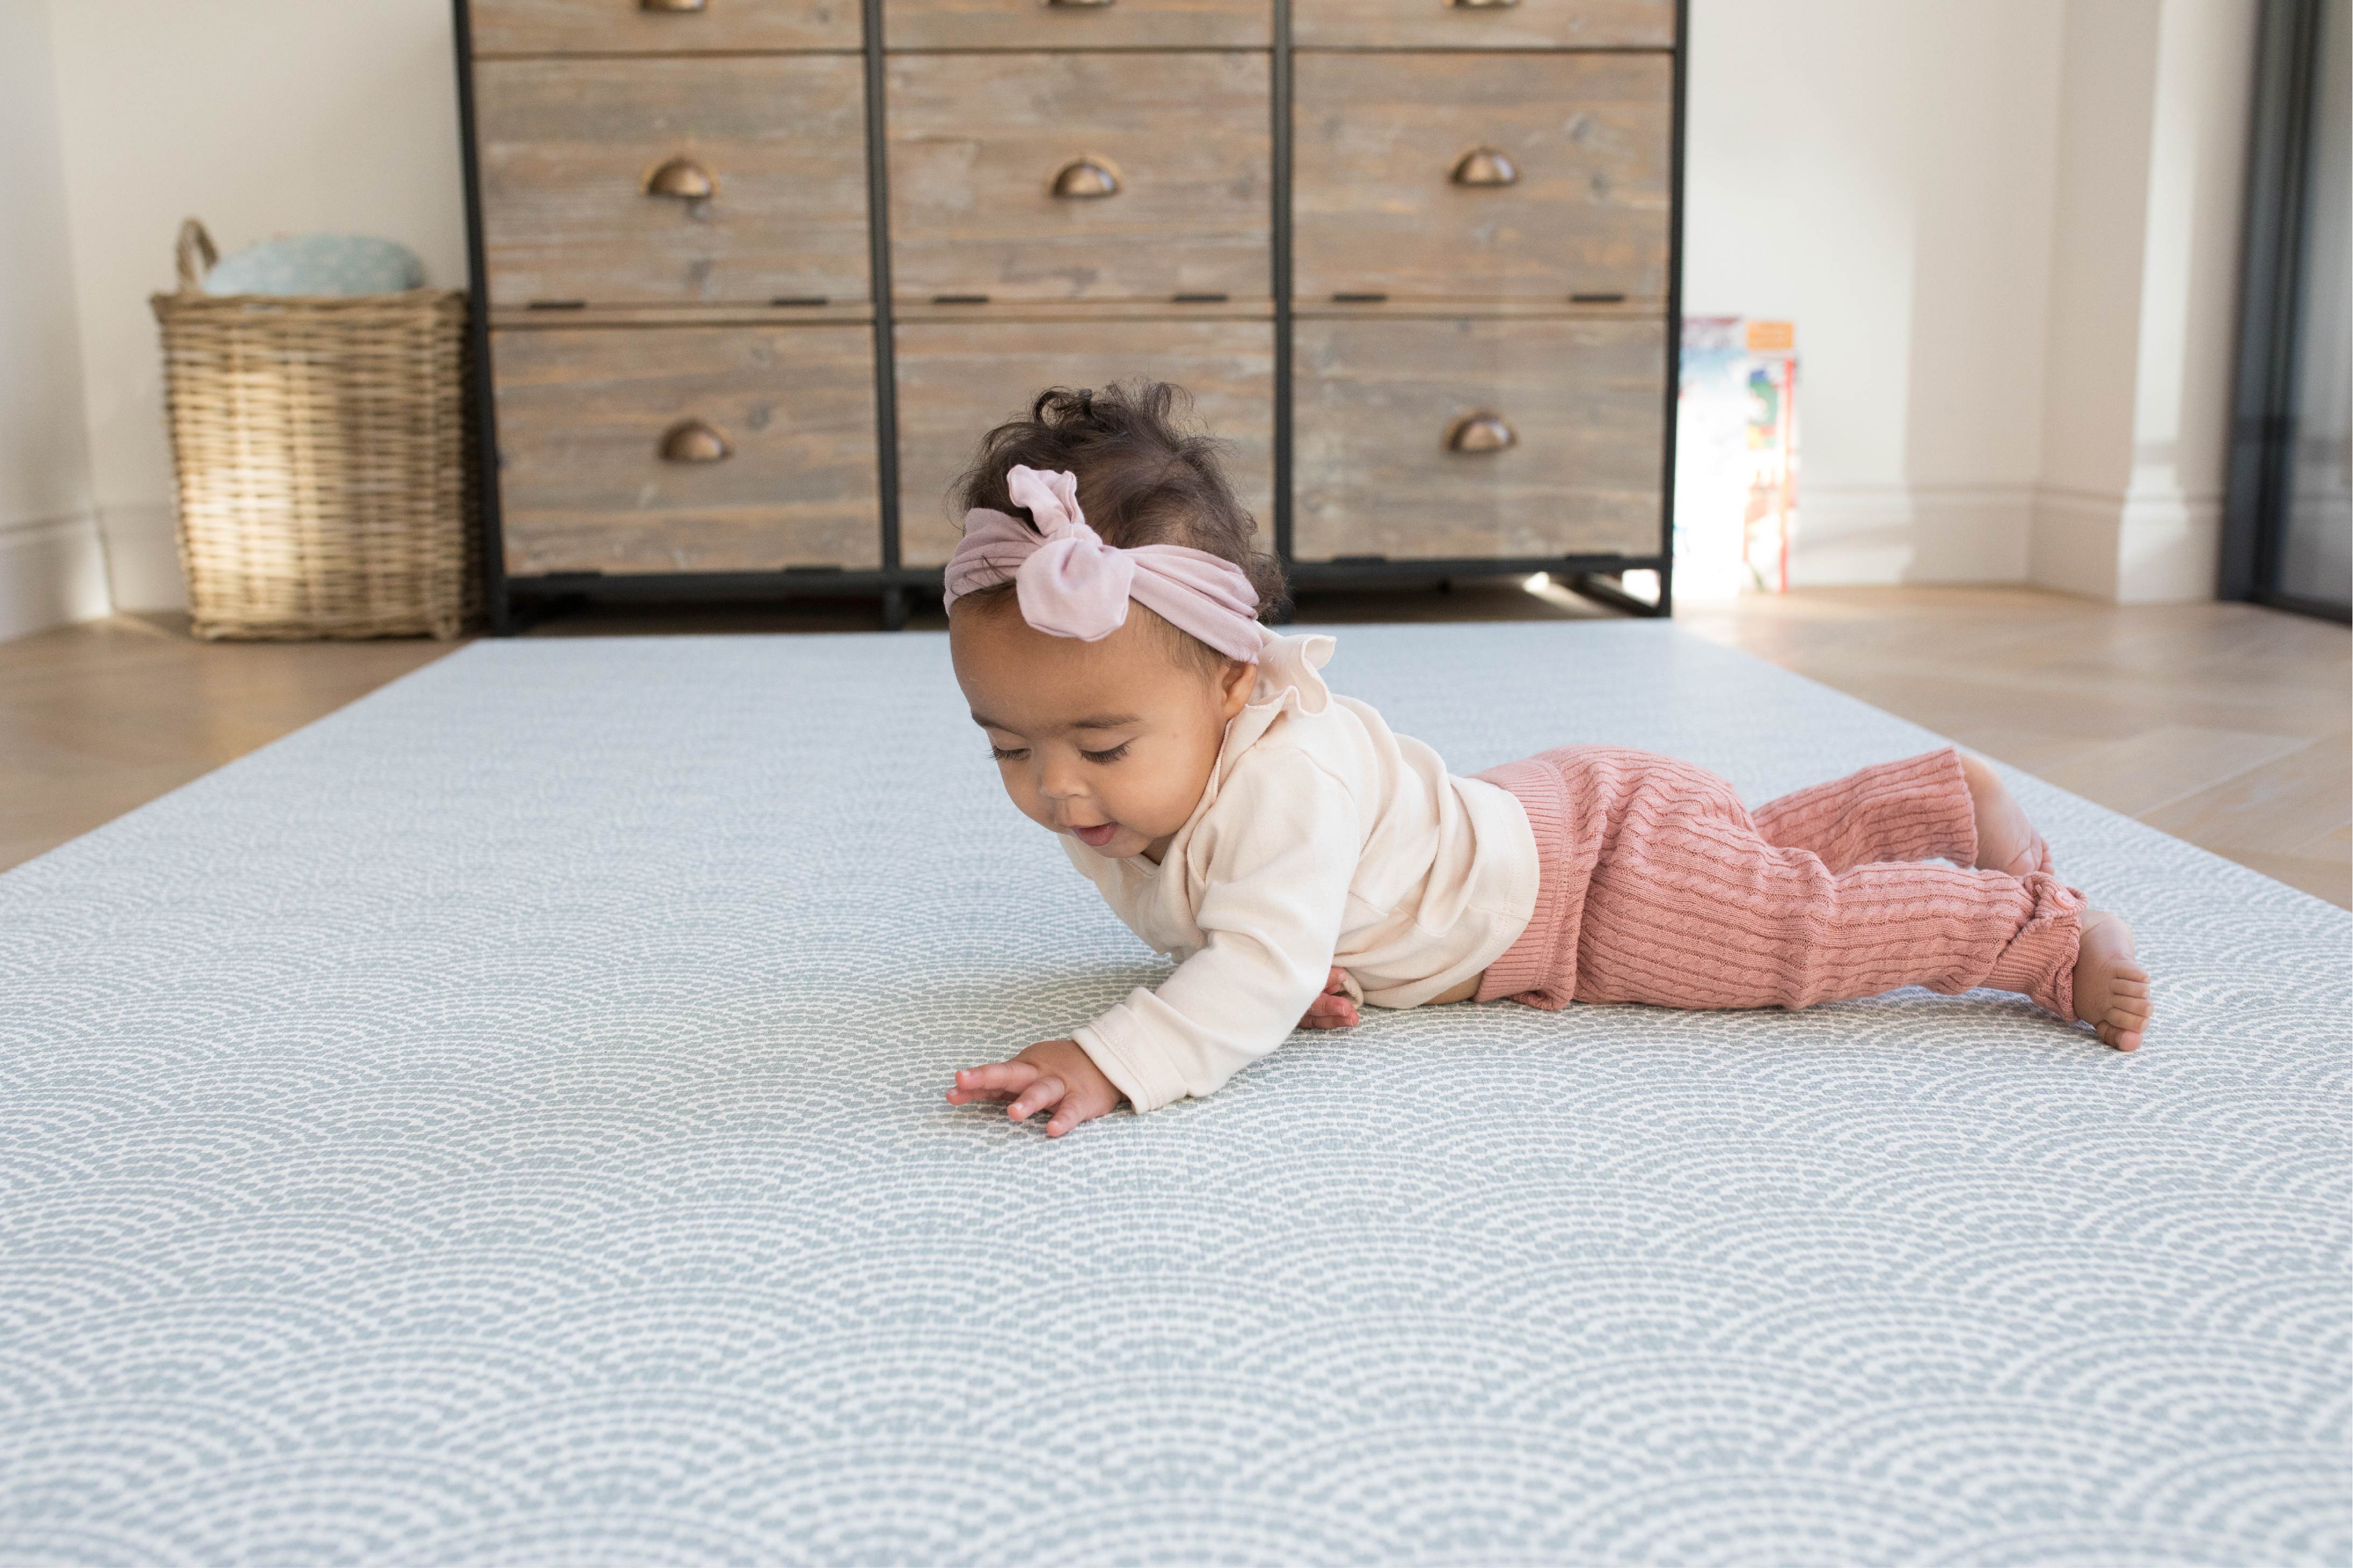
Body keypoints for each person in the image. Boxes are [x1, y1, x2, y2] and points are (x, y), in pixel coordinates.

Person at [943, 383, 2153, 1138]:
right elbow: (1268, 923)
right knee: (1760, 858)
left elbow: (1256, 960)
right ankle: (1935, 802)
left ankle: (2030, 932)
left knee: (1792, 934)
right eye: (1010, 744)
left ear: (1230, 682)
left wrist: (1117, 1055)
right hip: (1562, 813)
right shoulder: (1124, 787)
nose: (1056, 786)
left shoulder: (1281, 776)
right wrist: (1327, 956)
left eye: (1100, 744)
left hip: (1583, 897)